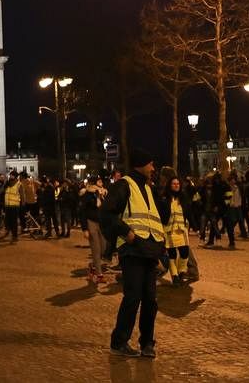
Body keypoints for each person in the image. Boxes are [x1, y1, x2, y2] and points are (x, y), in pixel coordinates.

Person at [101, 148, 169, 358]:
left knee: (150, 300)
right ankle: (119, 341)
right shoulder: (125, 185)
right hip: (132, 249)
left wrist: (160, 253)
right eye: (151, 164)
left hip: (149, 249)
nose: (153, 168)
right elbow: (106, 214)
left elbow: (158, 220)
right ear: (141, 164)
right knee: (133, 297)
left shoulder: (149, 189)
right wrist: (127, 233)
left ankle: (147, 343)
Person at [162, 177, 190, 286]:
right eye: (174, 183)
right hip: (169, 230)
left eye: (178, 183)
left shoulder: (183, 198)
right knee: (172, 255)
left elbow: (188, 212)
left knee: (185, 252)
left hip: (181, 229)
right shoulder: (164, 198)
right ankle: (175, 276)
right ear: (170, 185)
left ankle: (182, 271)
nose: (176, 185)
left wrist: (195, 225)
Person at [80, 175, 108, 283]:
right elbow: (82, 212)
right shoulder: (87, 195)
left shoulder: (104, 194)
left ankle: (92, 266)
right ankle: (99, 275)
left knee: (104, 248)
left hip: (101, 224)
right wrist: (84, 229)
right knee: (96, 249)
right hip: (91, 223)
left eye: (101, 181)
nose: (101, 183)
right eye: (99, 181)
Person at [4, 171, 22, 242]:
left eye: (11, 175)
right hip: (8, 205)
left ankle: (15, 236)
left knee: (14, 222)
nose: (10, 177)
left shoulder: (19, 184)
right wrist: (5, 185)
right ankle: (11, 234)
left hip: (14, 206)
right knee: (8, 221)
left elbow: (22, 195)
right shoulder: (8, 183)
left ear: (15, 176)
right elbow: (2, 192)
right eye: (10, 175)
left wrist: (23, 205)